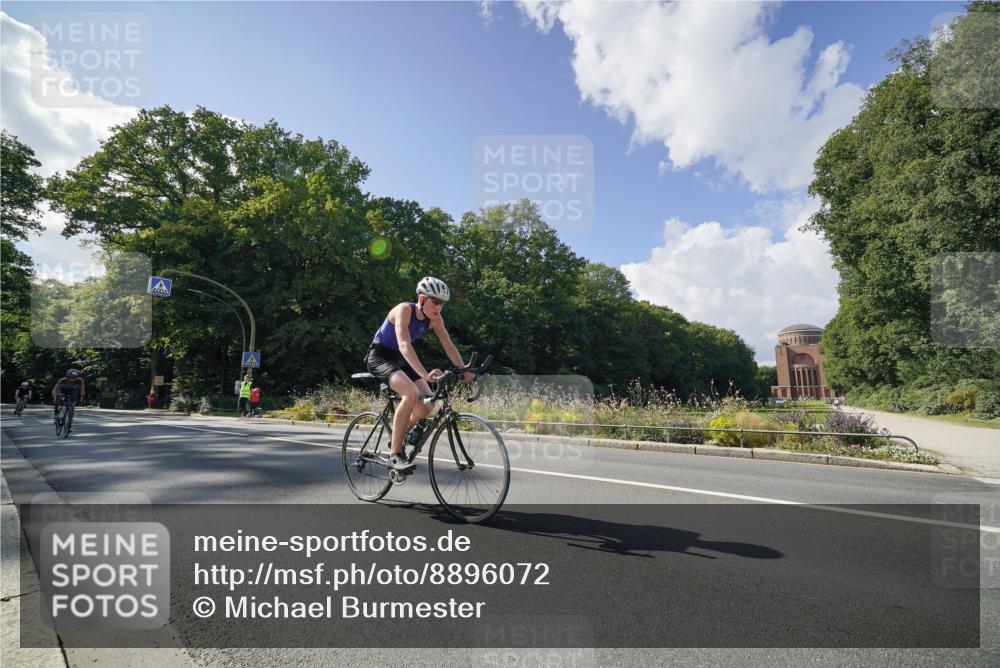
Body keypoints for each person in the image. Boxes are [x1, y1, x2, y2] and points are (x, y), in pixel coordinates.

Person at [365, 277, 473, 472]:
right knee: (411, 393)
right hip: (380, 356)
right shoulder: (403, 310)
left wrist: (464, 369)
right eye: (436, 301)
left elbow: (448, 345)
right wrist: (424, 375)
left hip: (400, 359)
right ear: (422, 299)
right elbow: (404, 345)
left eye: (443, 303)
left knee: (428, 404)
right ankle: (394, 455)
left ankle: (399, 437)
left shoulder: (435, 319)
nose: (439, 307)